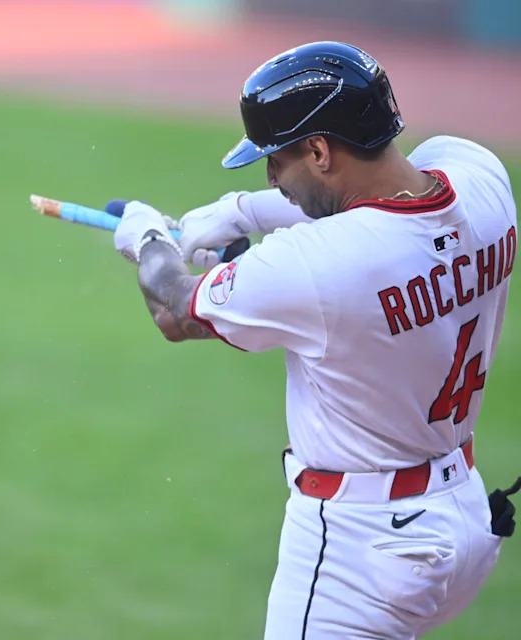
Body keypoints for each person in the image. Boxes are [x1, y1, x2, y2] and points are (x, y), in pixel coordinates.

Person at [112, 41, 519, 639]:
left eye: (277, 161)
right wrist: (247, 211)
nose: (274, 177)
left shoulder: (314, 267)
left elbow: (174, 308)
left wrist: (148, 238)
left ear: (320, 150)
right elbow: (389, 210)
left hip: (363, 549)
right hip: (463, 520)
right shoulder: (484, 180)